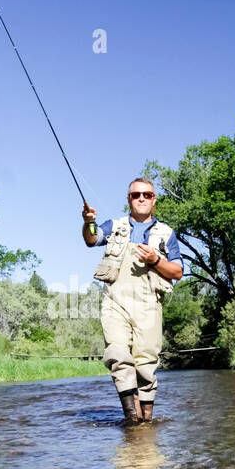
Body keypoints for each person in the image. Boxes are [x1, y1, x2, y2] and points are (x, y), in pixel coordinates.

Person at [81, 178, 183, 424]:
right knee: (117, 353)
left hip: (149, 305)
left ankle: (146, 422)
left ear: (154, 200)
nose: (141, 198)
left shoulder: (167, 233)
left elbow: (178, 272)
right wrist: (88, 223)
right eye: (136, 194)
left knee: (146, 364)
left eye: (147, 195)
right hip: (115, 302)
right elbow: (91, 239)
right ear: (128, 199)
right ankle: (131, 421)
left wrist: (155, 260)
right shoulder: (114, 226)